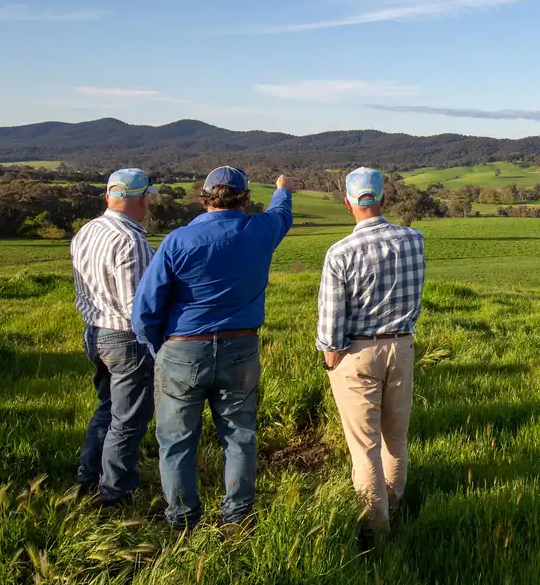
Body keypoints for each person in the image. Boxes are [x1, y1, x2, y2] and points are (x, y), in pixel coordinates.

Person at [132, 166, 298, 529]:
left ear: (205, 198)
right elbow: (281, 215)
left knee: (177, 442)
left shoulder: (177, 241)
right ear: (244, 199)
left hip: (182, 348)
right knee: (239, 435)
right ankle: (238, 517)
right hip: (241, 346)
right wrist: (282, 188)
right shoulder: (260, 231)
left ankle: (183, 522)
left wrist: (161, 346)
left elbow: (144, 310)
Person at [317, 167, 425, 535]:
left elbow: (331, 321)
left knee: (365, 447)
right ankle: (396, 504)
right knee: (396, 438)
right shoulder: (415, 239)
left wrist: (331, 356)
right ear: (383, 198)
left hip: (357, 353)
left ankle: (376, 531)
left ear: (348, 203)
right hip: (403, 345)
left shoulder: (339, 253)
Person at [71, 167, 157, 506]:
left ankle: (87, 478)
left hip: (94, 332)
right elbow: (136, 307)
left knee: (106, 410)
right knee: (128, 419)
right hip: (125, 339)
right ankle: (115, 492)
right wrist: (157, 342)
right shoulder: (130, 240)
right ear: (142, 200)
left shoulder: (87, 231)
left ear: (109, 196)